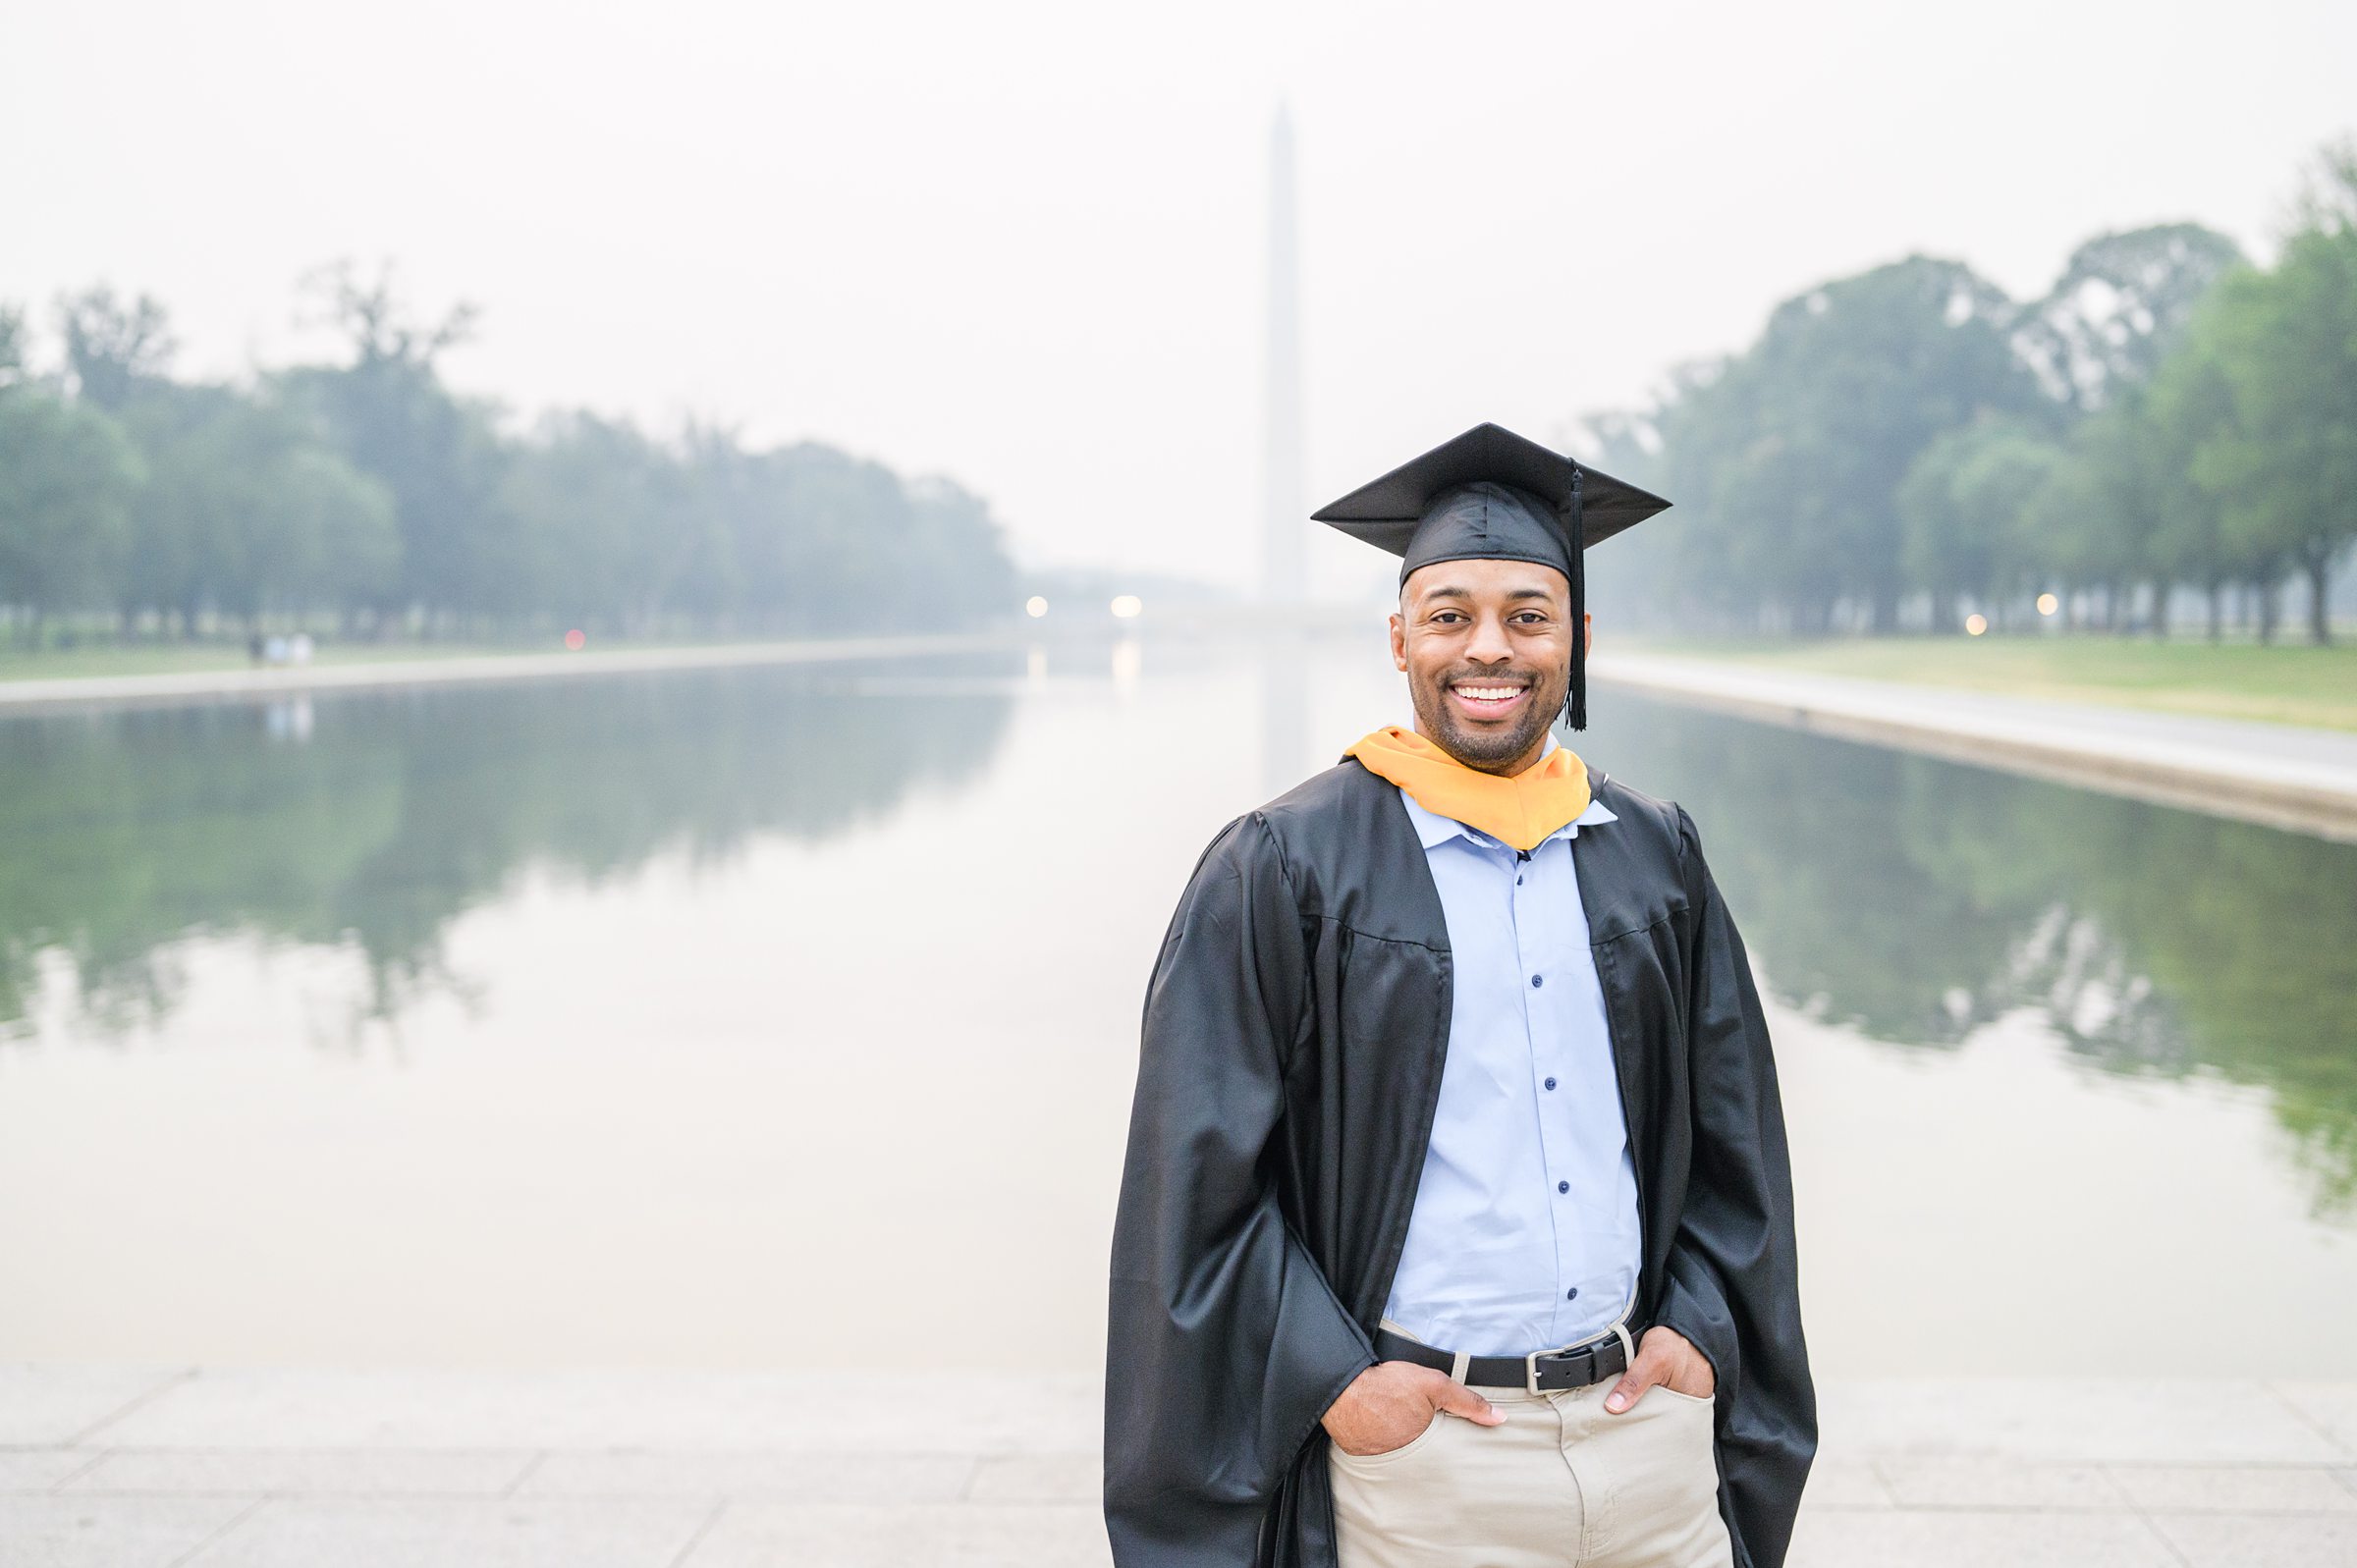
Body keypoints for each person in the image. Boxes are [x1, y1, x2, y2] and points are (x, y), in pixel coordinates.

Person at [1104, 423, 1814, 1568]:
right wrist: (1341, 1387)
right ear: (1400, 638)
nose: (1491, 647)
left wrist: (1700, 1334)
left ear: (1577, 637)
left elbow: (1739, 1145)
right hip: (1424, 1461)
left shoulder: (1654, 856)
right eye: (1451, 615)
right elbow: (1197, 1186)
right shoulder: (1284, 868)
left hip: (1646, 1443)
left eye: (1528, 615)